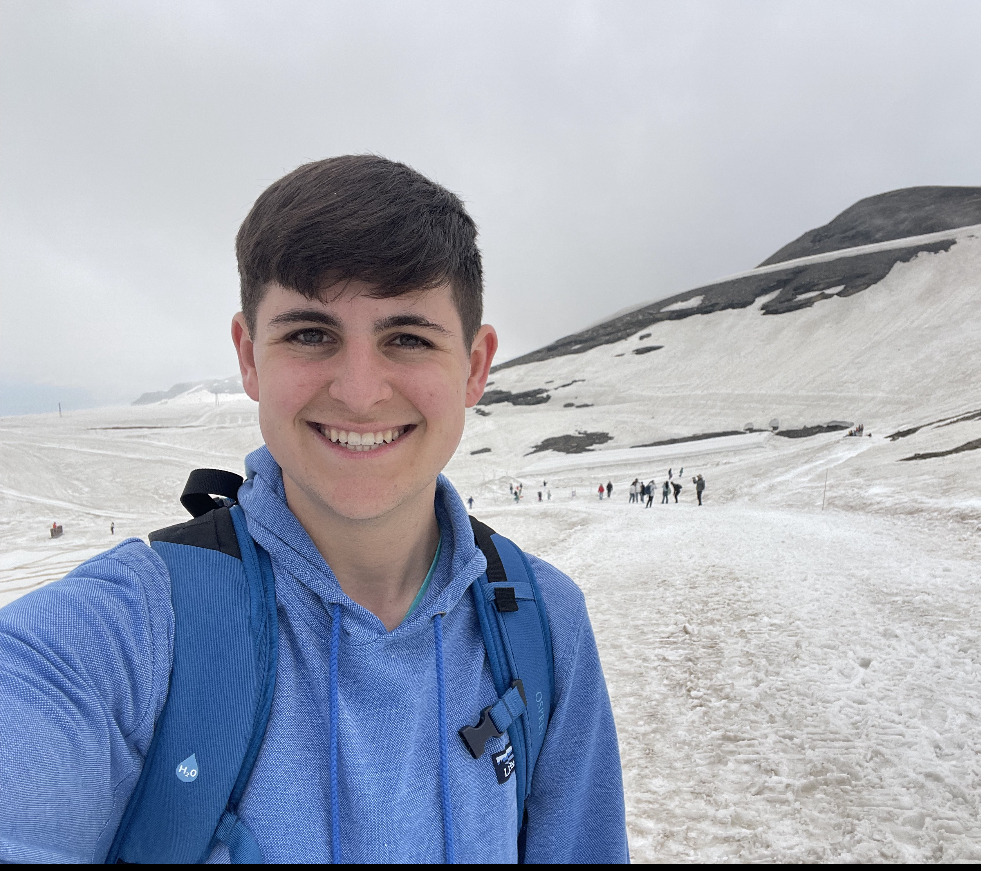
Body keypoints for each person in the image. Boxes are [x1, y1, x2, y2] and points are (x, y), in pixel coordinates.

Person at [0, 156, 627, 863]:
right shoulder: (131, 632)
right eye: (310, 334)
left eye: (408, 338)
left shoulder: (542, 625)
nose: (360, 392)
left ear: (476, 367)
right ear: (248, 356)